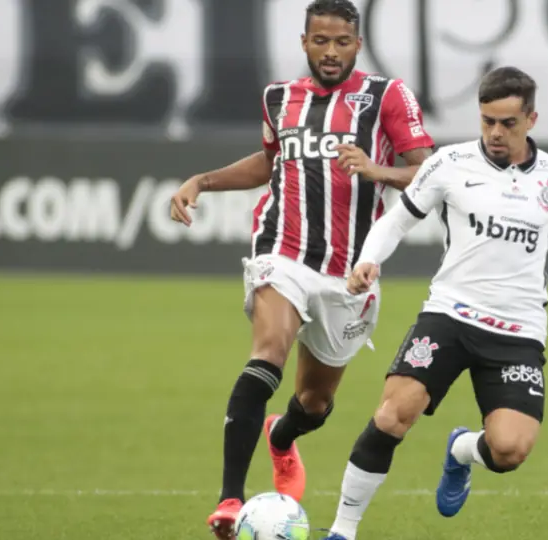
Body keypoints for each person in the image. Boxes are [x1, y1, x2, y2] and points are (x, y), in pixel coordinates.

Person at [168, 1, 435, 537]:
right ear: (304, 42)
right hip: (282, 250)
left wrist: (375, 169)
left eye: (341, 42)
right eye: (320, 41)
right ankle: (230, 500)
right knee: (267, 352)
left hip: (350, 271)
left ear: (357, 45)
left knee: (315, 402)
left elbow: (429, 171)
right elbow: (271, 162)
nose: (330, 52)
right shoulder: (279, 97)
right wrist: (202, 181)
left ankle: (283, 436)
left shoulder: (386, 95)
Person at [321, 66, 548, 540]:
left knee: (510, 450)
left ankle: (462, 450)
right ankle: (342, 529)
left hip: (517, 331)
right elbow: (398, 220)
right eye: (487, 121)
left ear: (531, 120)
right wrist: (369, 259)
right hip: (450, 315)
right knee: (393, 414)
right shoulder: (449, 163)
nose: (495, 132)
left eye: (508, 123)